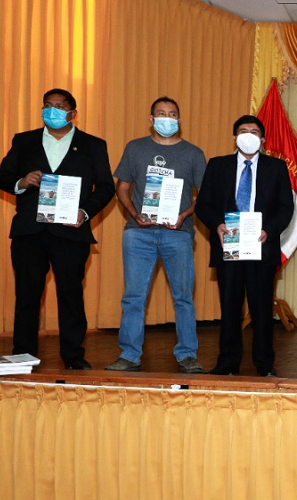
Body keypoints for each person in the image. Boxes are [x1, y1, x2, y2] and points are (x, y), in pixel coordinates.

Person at [0, 88, 115, 369]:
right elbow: (1, 176)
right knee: (27, 295)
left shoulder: (93, 145)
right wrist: (21, 182)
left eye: (59, 106)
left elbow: (105, 187)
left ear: (73, 113)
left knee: (71, 295)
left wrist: (85, 212)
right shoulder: (24, 141)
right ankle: (23, 354)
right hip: (29, 232)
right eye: (48, 105)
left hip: (71, 232)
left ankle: (73, 356)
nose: (52, 110)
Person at [105, 97, 206, 374]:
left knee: (183, 298)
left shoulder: (193, 153)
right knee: (133, 297)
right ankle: (129, 355)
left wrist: (183, 215)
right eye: (161, 114)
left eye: (172, 114)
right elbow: (122, 189)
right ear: (151, 119)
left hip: (178, 234)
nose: (167, 119)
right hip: (138, 234)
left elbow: (205, 195)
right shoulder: (135, 148)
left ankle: (187, 354)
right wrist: (134, 214)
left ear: (179, 120)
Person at [194, 115, 294, 377]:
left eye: (254, 131)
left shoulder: (276, 167)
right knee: (229, 308)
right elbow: (203, 204)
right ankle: (227, 363)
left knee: (262, 309)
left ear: (263, 139)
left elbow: (286, 207)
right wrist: (217, 224)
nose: (248, 135)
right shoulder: (217, 165)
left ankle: (265, 364)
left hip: (262, 247)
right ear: (234, 137)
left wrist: (268, 230)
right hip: (228, 246)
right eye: (243, 130)